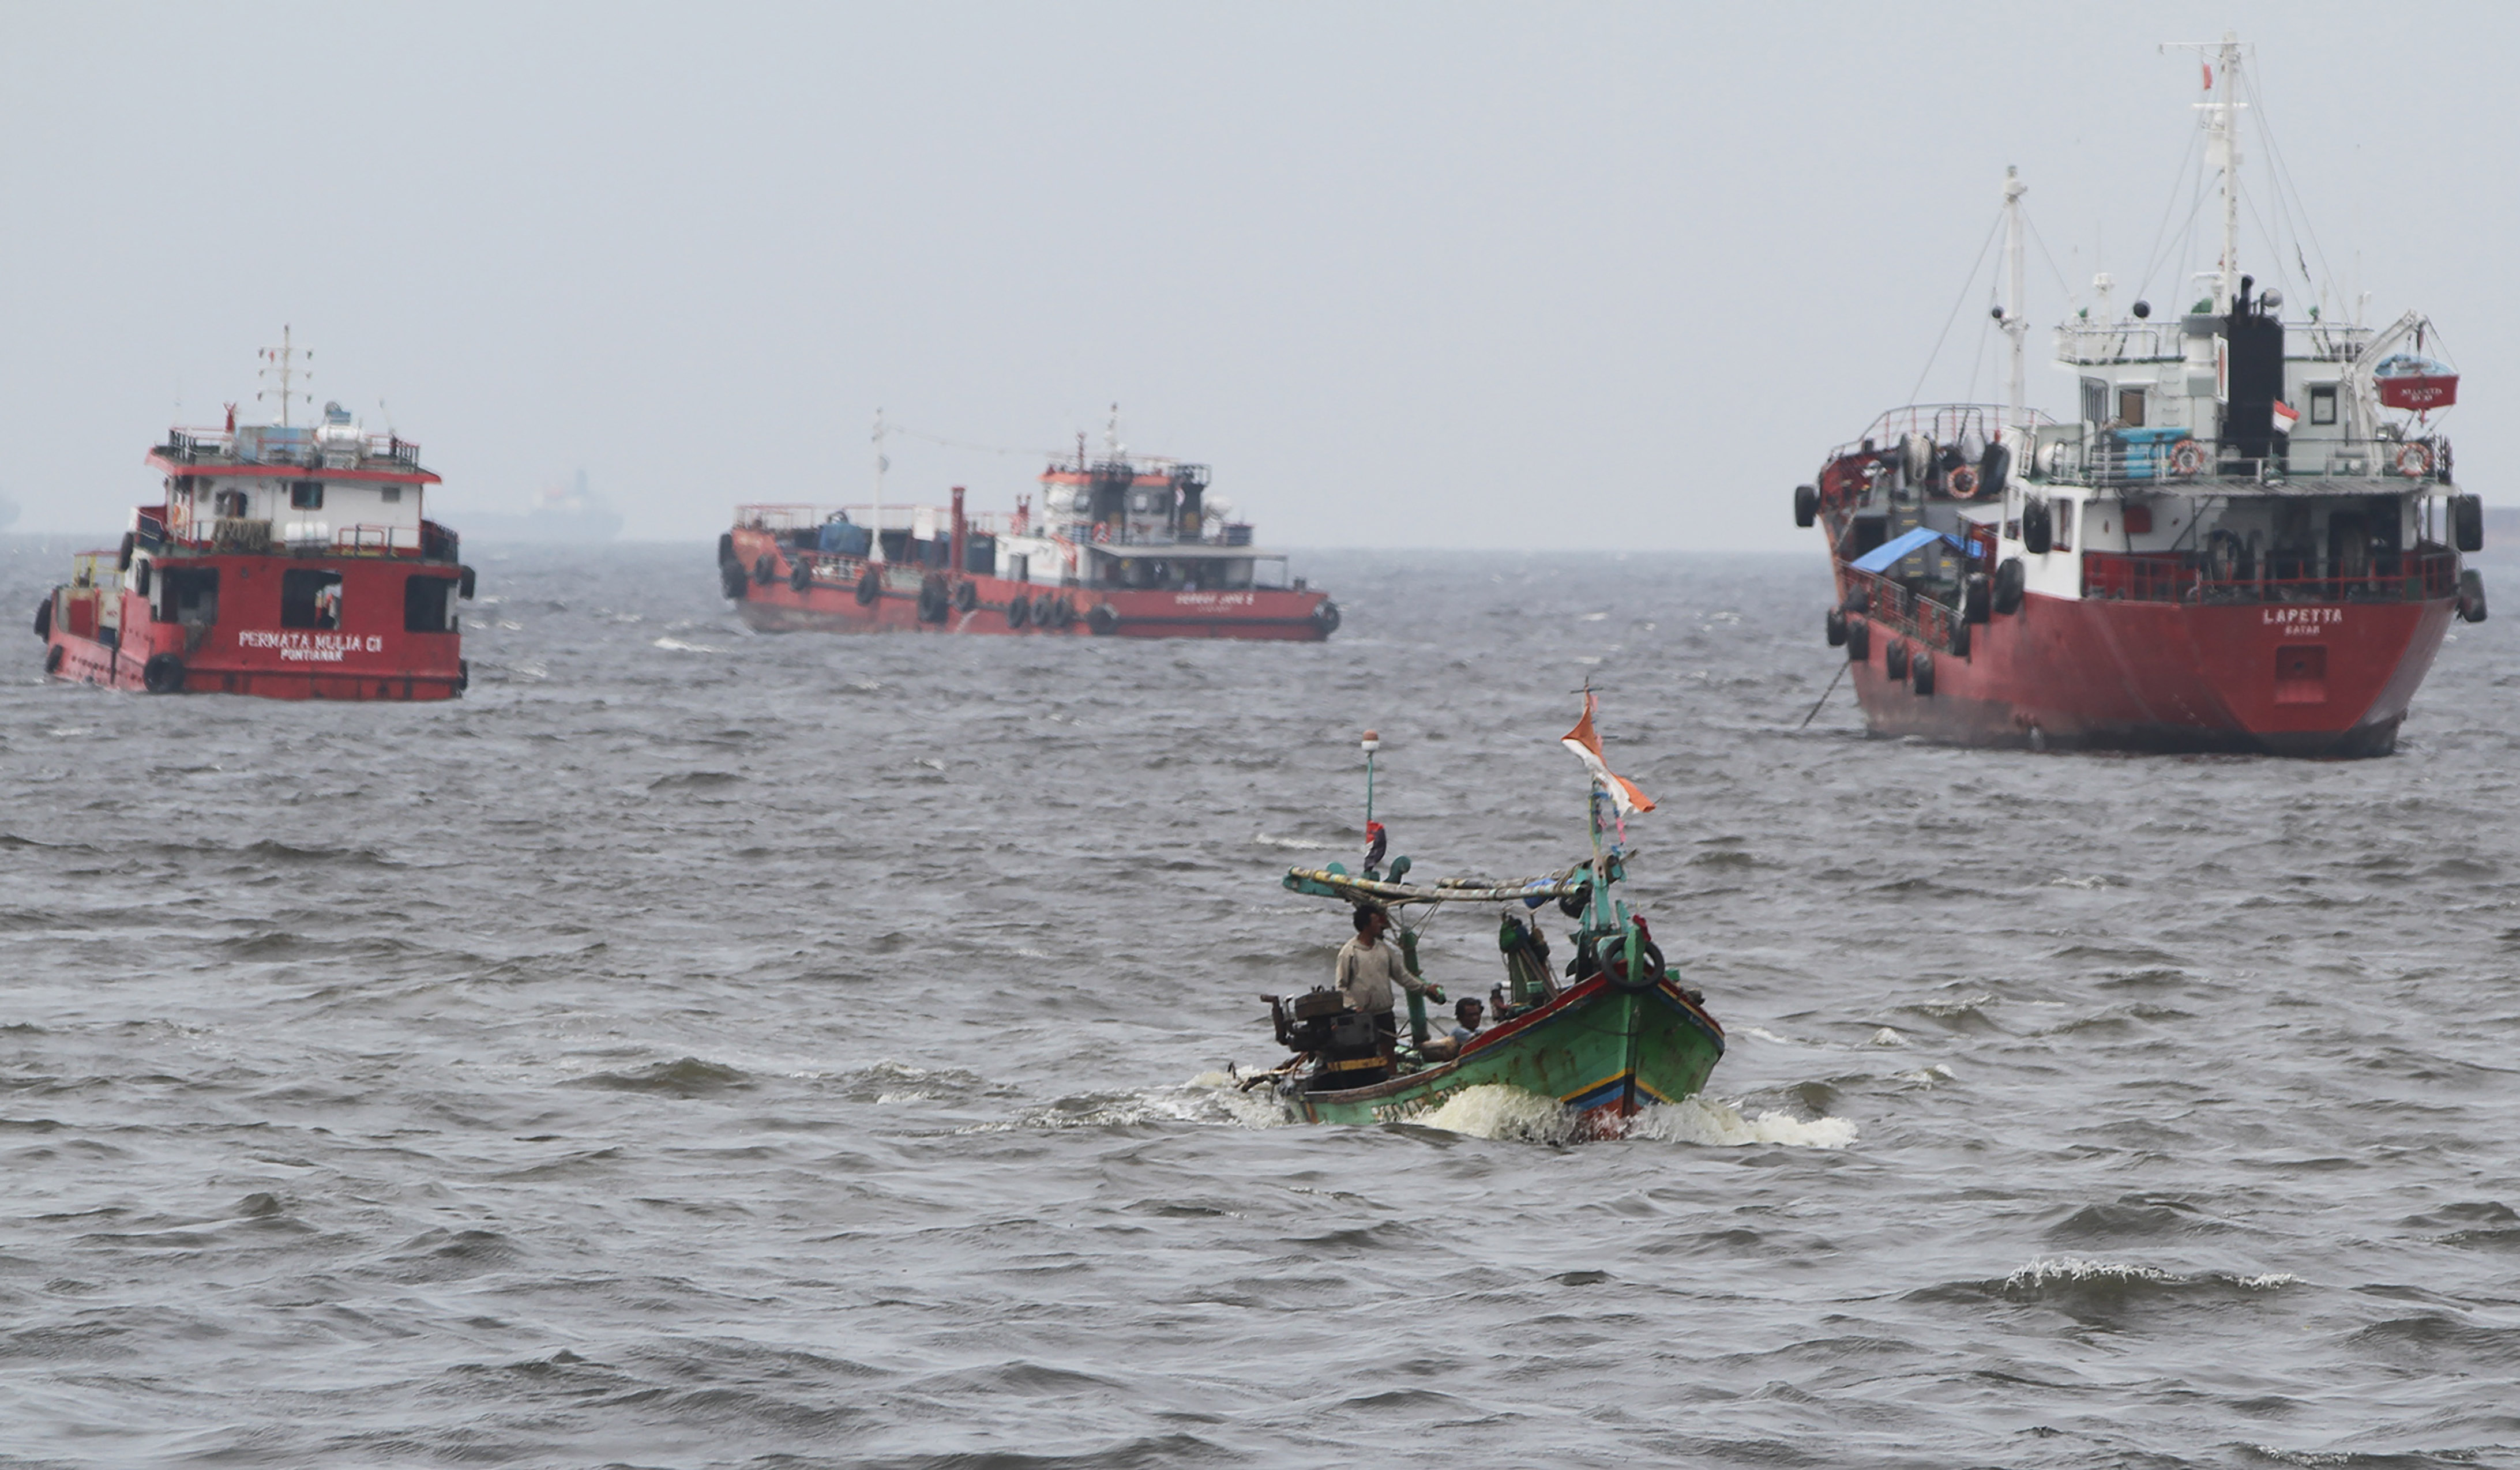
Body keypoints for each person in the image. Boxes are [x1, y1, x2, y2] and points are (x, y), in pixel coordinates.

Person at [1336, 906, 1435, 1055]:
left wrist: (1426, 989)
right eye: (1376, 922)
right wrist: (1354, 1007)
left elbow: (1402, 976)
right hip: (1361, 1016)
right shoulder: (1349, 952)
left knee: (1389, 1049)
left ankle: (1392, 1077)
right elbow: (1341, 986)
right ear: (1366, 925)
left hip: (1385, 1013)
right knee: (1366, 1053)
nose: (1380, 926)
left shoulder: (1384, 949)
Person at [1419, 997, 1486, 1062]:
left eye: (1477, 1014)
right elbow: (1478, 1041)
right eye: (1470, 1015)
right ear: (1460, 1017)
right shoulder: (1459, 1032)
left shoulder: (1477, 1031)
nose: (1475, 1018)